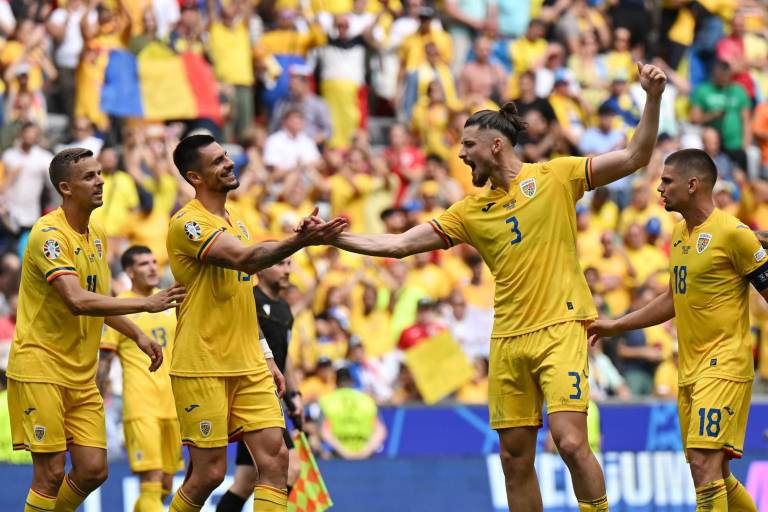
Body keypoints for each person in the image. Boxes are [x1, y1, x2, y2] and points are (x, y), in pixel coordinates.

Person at [324, 62, 666, 511]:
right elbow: (401, 244)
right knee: (513, 457)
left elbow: (634, 156)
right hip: (507, 338)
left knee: (569, 441)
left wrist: (653, 98)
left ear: (496, 144)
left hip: (561, 327)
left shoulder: (555, 177)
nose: (461, 154)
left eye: (468, 145)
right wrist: (337, 238)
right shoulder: (469, 211)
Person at [166, 134, 346, 511]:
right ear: (194, 177)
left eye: (226, 156)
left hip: (248, 363)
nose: (229, 163)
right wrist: (300, 241)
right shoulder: (187, 224)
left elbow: (243, 298)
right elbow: (245, 260)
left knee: (276, 459)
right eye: (217, 161)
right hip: (203, 363)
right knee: (209, 475)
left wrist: (266, 356)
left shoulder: (238, 222)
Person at [7, 147, 184, 512]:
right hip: (40, 368)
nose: (100, 181)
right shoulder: (48, 235)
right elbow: (76, 300)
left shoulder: (98, 235)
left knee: (93, 470)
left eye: (100, 173)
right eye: (89, 177)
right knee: (51, 473)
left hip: (80, 374)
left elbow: (98, 298)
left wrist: (136, 333)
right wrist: (145, 305)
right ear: (65, 188)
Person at [588, 148, 762, 512]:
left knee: (702, 463)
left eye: (667, 181)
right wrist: (617, 325)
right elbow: (672, 299)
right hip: (690, 369)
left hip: (725, 365)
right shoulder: (681, 235)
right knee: (716, 473)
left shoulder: (734, 234)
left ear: (693, 184)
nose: (660, 188)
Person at [97, 246, 183, 511]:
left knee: (166, 484)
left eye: (154, 262)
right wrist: (96, 403)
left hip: (175, 404)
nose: (153, 267)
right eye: (144, 264)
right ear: (130, 272)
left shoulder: (169, 302)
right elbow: (104, 361)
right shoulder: (120, 305)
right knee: (151, 480)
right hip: (141, 404)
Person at [217, 258, 304, 512]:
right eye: (279, 264)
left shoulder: (285, 309)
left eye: (289, 264)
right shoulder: (248, 300)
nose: (287, 270)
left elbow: (283, 358)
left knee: (243, 482)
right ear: (261, 269)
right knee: (290, 468)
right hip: (254, 395)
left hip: (274, 396)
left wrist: (295, 394)